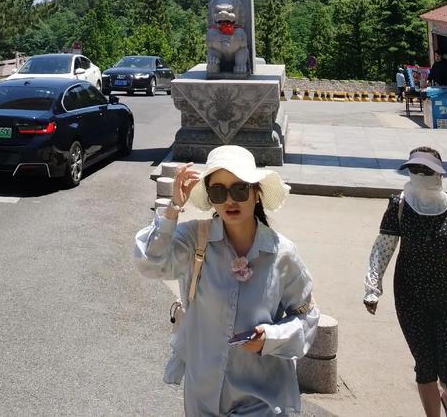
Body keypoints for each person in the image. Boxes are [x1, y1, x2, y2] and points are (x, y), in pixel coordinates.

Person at [135, 144, 319, 416]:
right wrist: (173, 208)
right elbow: (150, 263)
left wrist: (270, 337)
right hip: (202, 396)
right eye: (218, 192)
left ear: (256, 194)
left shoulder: (282, 253)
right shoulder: (195, 239)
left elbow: (307, 315)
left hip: (259, 398)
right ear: (211, 198)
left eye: (240, 189)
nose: (230, 200)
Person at [364, 146, 447, 417]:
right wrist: (372, 289)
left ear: (439, 174)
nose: (420, 175)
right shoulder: (399, 205)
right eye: (415, 169)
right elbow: (383, 248)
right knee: (425, 365)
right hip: (410, 296)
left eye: (426, 170)